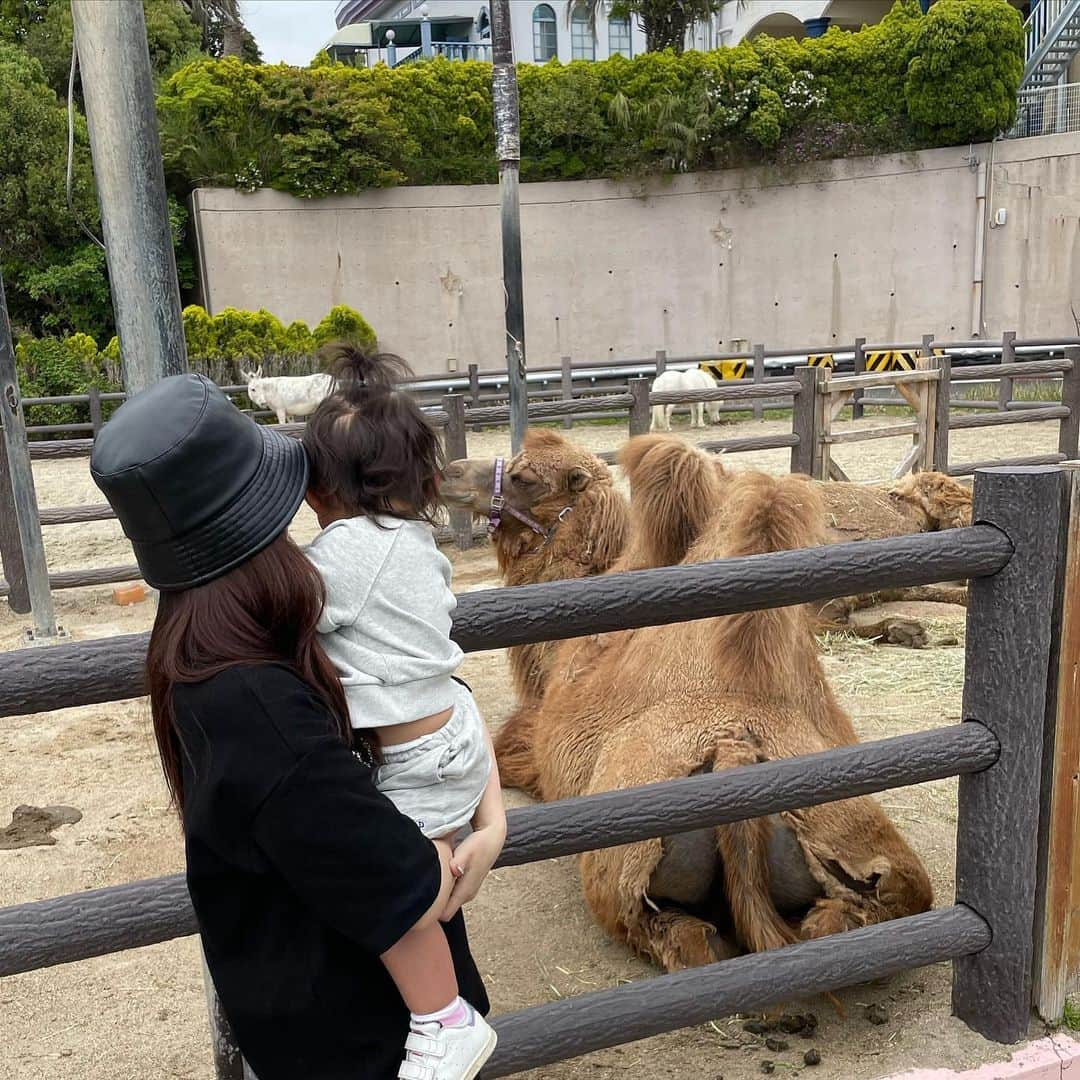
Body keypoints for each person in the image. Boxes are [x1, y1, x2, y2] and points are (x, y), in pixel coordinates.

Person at [90, 373, 490, 1080]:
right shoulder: (260, 711)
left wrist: (492, 821)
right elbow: (411, 880)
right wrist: (469, 833)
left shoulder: (204, 651)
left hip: (305, 1012)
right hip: (363, 1037)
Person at [302, 347, 505, 1080]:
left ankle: (442, 1020)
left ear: (323, 487)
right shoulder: (417, 543)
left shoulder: (345, 552)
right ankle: (443, 1004)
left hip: (414, 758)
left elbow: (288, 601)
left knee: (399, 898)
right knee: (435, 885)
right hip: (452, 735)